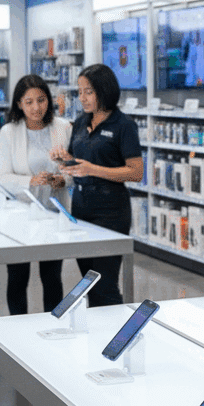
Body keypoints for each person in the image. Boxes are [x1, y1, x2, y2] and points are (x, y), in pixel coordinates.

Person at [51, 64, 143, 307]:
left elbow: (136, 172)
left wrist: (93, 169)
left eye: (89, 92)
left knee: (105, 284)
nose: (82, 98)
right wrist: (65, 160)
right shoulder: (81, 122)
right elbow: (79, 160)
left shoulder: (123, 125)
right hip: (81, 208)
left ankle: (117, 328)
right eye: (80, 92)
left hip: (110, 211)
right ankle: (97, 328)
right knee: (88, 282)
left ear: (104, 91)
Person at [0, 74, 73, 315]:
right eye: (28, 102)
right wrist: (29, 181)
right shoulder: (9, 132)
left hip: (53, 214)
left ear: (49, 100)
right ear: (19, 104)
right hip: (19, 217)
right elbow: (2, 177)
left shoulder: (63, 128)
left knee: (52, 277)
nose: (36, 108)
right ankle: (18, 328)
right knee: (17, 278)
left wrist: (62, 180)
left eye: (41, 100)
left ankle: (53, 326)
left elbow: (73, 169)